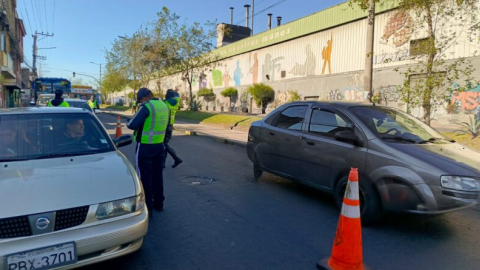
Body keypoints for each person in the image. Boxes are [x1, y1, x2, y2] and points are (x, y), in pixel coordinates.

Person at [127, 88, 170, 216]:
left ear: (144, 98)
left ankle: (148, 208)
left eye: (140, 100)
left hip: (145, 146)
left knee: (144, 176)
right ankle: (159, 203)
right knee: (157, 175)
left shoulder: (146, 106)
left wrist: (128, 122)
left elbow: (132, 125)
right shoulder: (164, 105)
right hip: (159, 145)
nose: (140, 102)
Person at [164, 89, 183, 168]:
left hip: (165, 125)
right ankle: (162, 163)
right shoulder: (176, 102)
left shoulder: (165, 103)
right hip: (171, 125)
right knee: (164, 144)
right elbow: (178, 98)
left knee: (163, 144)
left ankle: (176, 159)